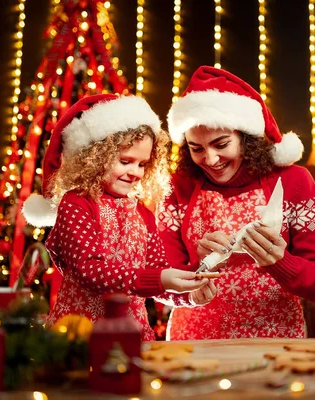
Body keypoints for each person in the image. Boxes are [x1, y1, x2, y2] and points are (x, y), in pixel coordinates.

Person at [158, 66, 315, 340]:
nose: (211, 159)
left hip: (276, 344)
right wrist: (195, 276)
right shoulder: (176, 188)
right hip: (194, 344)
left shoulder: (295, 182)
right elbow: (160, 281)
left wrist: (280, 262)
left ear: (246, 138)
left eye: (221, 144)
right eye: (197, 148)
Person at [22, 94, 214, 341]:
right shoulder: (77, 204)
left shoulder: (142, 212)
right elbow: (88, 271)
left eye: (143, 164)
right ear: (96, 157)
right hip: (82, 336)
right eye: (126, 161)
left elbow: (155, 274)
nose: (135, 172)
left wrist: (188, 295)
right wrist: (160, 278)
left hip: (133, 335)